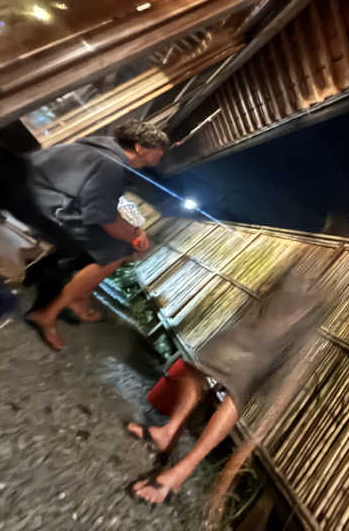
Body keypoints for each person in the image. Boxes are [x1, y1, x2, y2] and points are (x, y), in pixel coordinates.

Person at [127, 269, 324, 504]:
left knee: (238, 386)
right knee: (199, 364)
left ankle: (181, 471)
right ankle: (168, 432)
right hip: (264, 316)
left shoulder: (327, 292)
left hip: (287, 337)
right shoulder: (303, 266)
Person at [24, 121, 169, 350]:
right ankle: (47, 314)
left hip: (36, 191)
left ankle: (78, 297)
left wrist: (133, 230)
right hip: (40, 204)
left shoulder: (103, 150)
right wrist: (133, 237)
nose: (161, 156)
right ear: (140, 148)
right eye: (159, 151)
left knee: (116, 244)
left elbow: (104, 202)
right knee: (117, 252)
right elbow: (103, 217)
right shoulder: (111, 167)